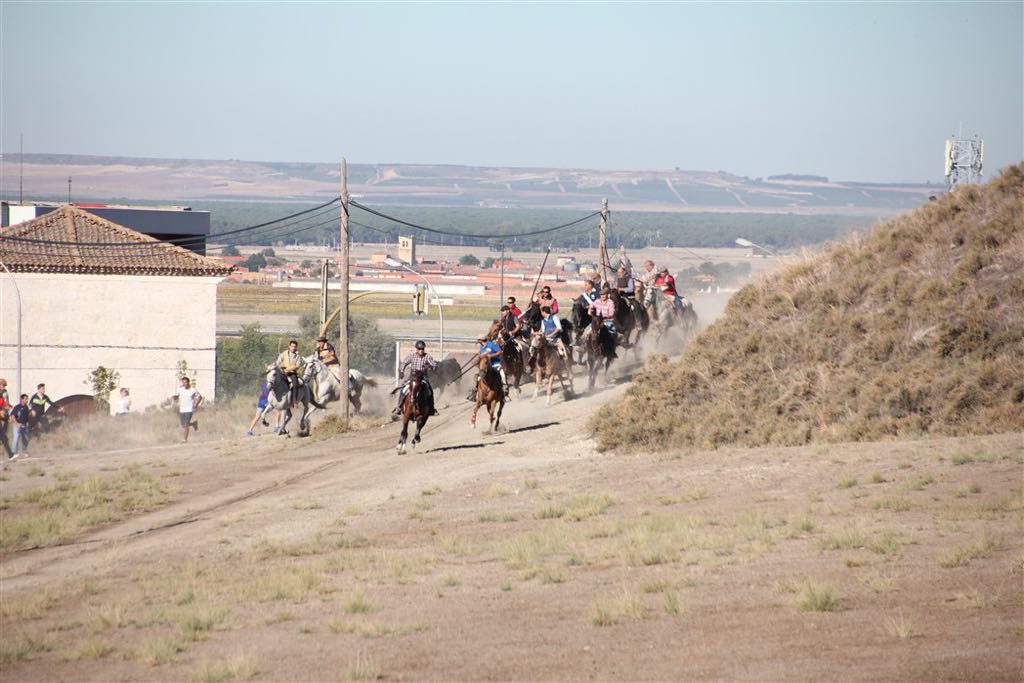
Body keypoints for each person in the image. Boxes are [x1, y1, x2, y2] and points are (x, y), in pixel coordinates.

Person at [394, 340, 439, 417]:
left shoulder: (427, 357)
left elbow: (434, 365)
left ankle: (431, 408)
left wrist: (429, 366)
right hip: (412, 376)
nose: (421, 350)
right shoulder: (412, 356)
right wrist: (401, 371)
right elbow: (404, 363)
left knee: (430, 391)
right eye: (419, 349)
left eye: (422, 349)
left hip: (423, 377)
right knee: (403, 389)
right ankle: (399, 407)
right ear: (416, 349)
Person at [468, 333, 508, 401]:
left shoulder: (492, 345)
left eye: (479, 341)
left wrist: (491, 356)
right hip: (486, 367)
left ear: (481, 340)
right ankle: (474, 394)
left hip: (495, 364)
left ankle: (505, 393)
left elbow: (500, 352)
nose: (479, 343)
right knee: (478, 377)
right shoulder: (482, 348)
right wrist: (477, 360)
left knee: (502, 375)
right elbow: (481, 357)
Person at [172, 377, 203, 443]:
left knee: (186, 425)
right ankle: (193, 424)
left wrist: (196, 404)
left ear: (188, 382)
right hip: (182, 409)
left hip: (189, 409)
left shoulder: (193, 390)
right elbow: (178, 396)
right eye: (183, 382)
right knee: (183, 425)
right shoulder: (180, 390)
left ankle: (185, 440)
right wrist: (175, 397)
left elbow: (200, 397)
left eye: (185, 382)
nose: (184, 384)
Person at [275, 340, 305, 404]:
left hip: (292, 373)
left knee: (295, 383)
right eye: (292, 346)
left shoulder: (298, 356)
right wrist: (280, 366)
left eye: (295, 347)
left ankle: (294, 399)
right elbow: (278, 362)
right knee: (274, 380)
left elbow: (297, 366)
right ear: (289, 346)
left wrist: (287, 370)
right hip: (282, 372)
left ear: (296, 347)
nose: (293, 348)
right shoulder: (283, 354)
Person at [11, 394, 31, 459]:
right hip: (18, 425)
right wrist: (17, 423)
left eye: (27, 399)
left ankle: (24, 451)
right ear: (22, 399)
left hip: (25, 425)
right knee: (16, 438)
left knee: (26, 438)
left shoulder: (26, 407)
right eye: (25, 399)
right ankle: (14, 452)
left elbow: (27, 417)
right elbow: (13, 416)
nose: (27, 400)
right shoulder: (17, 407)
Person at [0, 389, 11, 459]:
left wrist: (4, 410)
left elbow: (6, 406)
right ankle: (10, 454)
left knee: (3, 437)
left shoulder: (1, 399)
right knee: (3, 437)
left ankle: (10, 454)